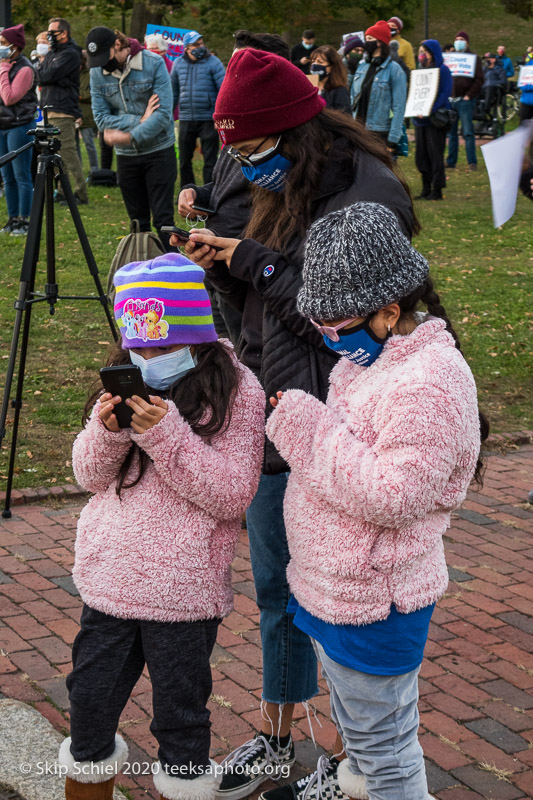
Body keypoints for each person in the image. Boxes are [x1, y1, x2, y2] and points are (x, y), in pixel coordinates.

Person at [171, 47, 418, 800]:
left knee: (344, 604)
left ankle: (355, 764)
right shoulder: (284, 175)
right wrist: (228, 264)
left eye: (252, 151)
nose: (246, 168)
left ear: (296, 133)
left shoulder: (365, 199)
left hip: (343, 421)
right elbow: (273, 293)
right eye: (233, 153)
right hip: (279, 407)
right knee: (278, 591)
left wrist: (250, 261)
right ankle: (279, 742)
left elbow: (335, 319)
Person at [262, 200, 486, 800]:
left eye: (336, 327)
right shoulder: (373, 362)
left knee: (388, 756)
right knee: (364, 738)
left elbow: (394, 493)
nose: (328, 340)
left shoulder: (429, 382)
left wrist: (309, 432)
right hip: (337, 591)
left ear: (390, 312)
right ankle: (349, 778)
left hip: (375, 603)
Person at [58, 252, 265, 800]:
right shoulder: (124, 379)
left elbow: (231, 495)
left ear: (195, 335)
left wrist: (165, 434)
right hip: (110, 581)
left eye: (163, 346)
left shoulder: (240, 391)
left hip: (182, 591)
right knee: (88, 710)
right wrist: (108, 432)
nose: (150, 358)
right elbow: (87, 475)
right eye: (138, 349)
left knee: (181, 722)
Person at [177, 31, 291, 346]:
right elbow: (225, 185)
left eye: (242, 66)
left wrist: (243, 254)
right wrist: (197, 194)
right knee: (224, 347)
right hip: (215, 261)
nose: (232, 75)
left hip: (249, 267)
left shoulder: (278, 144)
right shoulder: (238, 125)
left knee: (248, 350)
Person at [87, 27, 177, 250]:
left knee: (163, 219)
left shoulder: (153, 63)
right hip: (126, 158)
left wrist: (129, 136)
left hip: (158, 151)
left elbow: (164, 114)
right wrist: (140, 120)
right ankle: (142, 273)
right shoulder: (97, 72)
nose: (101, 65)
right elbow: (101, 119)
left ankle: (175, 273)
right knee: (138, 222)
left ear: (117, 45)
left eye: (103, 57)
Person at [34, 17, 88, 205]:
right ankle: (62, 191)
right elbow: (40, 75)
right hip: (49, 108)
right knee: (54, 154)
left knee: (67, 152)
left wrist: (44, 73)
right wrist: (44, 73)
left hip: (63, 109)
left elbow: (46, 74)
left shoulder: (70, 54)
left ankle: (79, 193)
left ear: (63, 33)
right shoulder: (53, 53)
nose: (49, 36)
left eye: (52, 32)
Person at [170, 31, 225, 187]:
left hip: (208, 119)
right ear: (187, 48)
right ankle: (187, 191)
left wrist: (219, 116)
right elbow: (173, 92)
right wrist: (168, 115)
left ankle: (210, 192)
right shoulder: (178, 64)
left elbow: (223, 90)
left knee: (210, 160)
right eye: (196, 44)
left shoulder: (214, 62)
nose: (200, 47)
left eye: (201, 43)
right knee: (184, 160)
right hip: (186, 118)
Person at [0, 23, 37, 237]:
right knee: (7, 176)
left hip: (19, 125)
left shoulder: (24, 69)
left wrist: (4, 70)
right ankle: (12, 218)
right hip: (2, 126)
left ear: (15, 47)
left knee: (21, 174)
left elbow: (9, 97)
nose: (0, 47)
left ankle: (25, 220)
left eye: (4, 44)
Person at [351, 21, 407, 157]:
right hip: (358, 130)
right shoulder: (362, 66)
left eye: (369, 39)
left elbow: (399, 107)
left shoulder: (395, 70)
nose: (366, 43)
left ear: (380, 42)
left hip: (379, 132)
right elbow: (352, 97)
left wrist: (392, 140)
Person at [414, 39, 453, 200]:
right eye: (421, 51)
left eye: (427, 52)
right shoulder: (420, 70)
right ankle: (425, 187)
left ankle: (436, 189)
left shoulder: (443, 70)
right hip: (420, 119)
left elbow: (444, 93)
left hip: (434, 119)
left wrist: (430, 108)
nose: (423, 55)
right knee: (421, 155)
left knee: (435, 154)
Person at [446, 31, 484, 171]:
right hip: (451, 100)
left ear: (467, 42)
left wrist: (469, 94)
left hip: (465, 101)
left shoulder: (473, 58)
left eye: (461, 39)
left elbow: (479, 79)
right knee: (452, 133)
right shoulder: (450, 58)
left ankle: (472, 162)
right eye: (457, 39)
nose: (459, 41)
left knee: (468, 132)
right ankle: (451, 162)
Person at [310, 46, 351, 113]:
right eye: (313, 61)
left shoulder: (339, 90)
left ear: (331, 66)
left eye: (320, 62)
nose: (315, 65)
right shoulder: (310, 87)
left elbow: (345, 117)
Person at [77, 50, 99, 172]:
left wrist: (78, 95)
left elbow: (92, 93)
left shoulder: (90, 74)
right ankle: (78, 168)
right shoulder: (72, 73)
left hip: (86, 113)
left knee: (89, 143)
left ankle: (94, 169)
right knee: (74, 145)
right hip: (73, 113)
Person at [478, 53, 507, 123]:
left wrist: (492, 83)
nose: (486, 61)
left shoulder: (499, 70)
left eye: (488, 59)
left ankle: (486, 110)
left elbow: (503, 81)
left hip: (494, 90)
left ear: (493, 60)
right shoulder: (483, 69)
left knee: (489, 86)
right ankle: (476, 113)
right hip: (483, 89)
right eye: (485, 59)